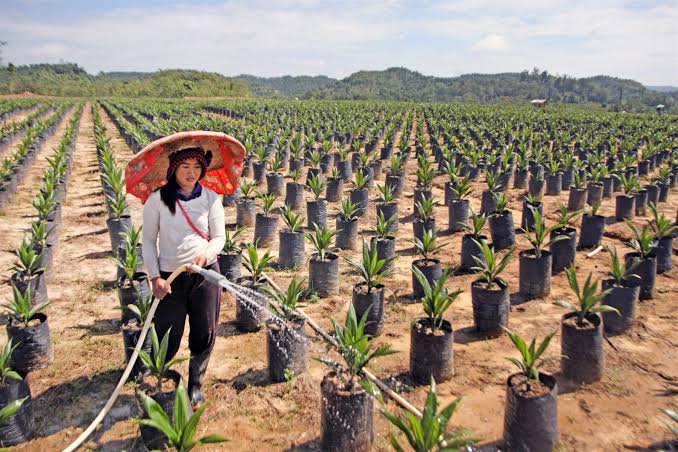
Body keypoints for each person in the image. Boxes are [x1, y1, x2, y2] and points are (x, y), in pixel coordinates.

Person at [142, 147, 225, 407]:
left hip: (204, 275)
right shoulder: (157, 199)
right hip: (170, 279)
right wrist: (155, 277)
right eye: (185, 166)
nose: (192, 172)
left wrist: (205, 255)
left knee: (204, 331)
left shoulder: (211, 198)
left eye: (197, 167)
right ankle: (161, 379)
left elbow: (220, 238)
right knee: (167, 333)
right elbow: (147, 240)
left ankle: (195, 384)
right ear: (173, 168)